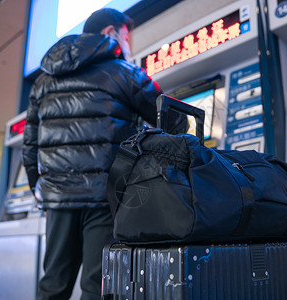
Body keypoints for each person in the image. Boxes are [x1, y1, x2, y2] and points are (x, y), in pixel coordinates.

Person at [22, 8, 184, 299]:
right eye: (126, 36)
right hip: (104, 197)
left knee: (53, 284)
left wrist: (40, 186)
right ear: (111, 33)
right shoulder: (124, 73)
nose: (127, 45)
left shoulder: (43, 82)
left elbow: (30, 144)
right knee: (99, 286)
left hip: (57, 199)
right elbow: (172, 120)